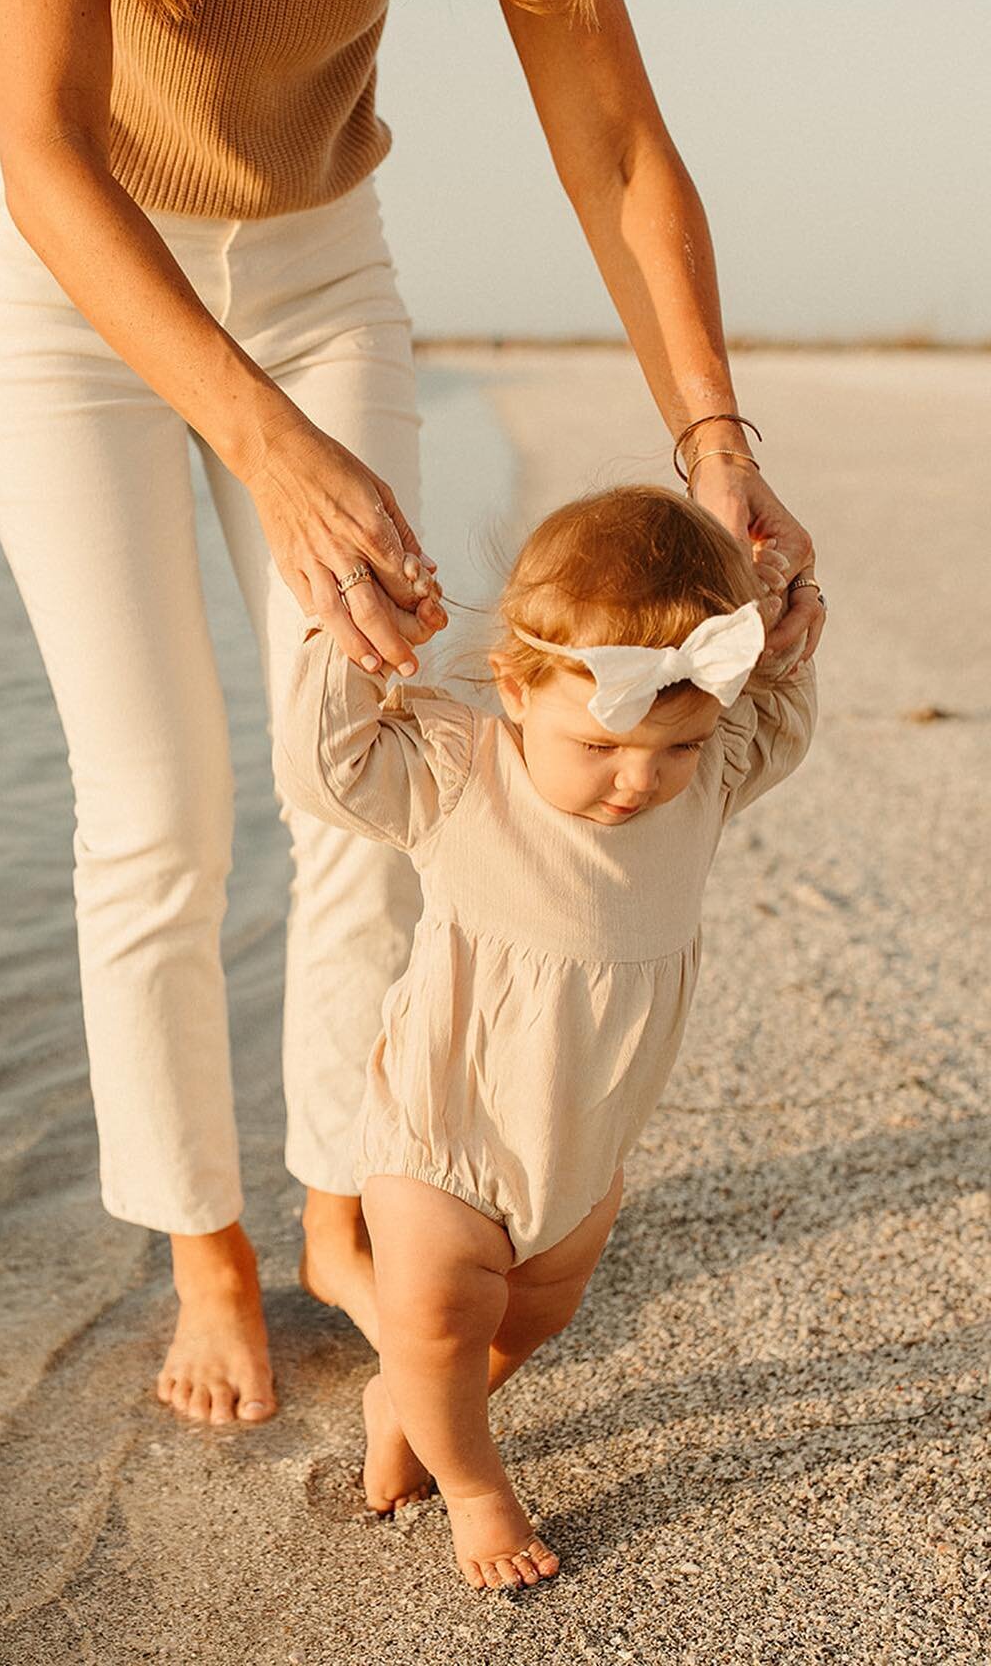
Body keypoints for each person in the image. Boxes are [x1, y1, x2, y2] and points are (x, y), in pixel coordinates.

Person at [0, 0, 826, 1426]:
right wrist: (273, 455)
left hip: (317, 273)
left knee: (374, 770)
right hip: (71, 284)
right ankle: (204, 1251)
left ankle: (343, 1200)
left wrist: (713, 442)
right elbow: (42, 148)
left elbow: (614, 139)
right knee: (156, 810)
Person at [272, 484, 821, 1586]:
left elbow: (780, 725)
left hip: (581, 1149)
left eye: (674, 749)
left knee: (533, 1317)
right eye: (604, 746)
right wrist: (354, 642)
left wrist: (783, 636)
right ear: (517, 689)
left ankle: (410, 1404)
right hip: (445, 1134)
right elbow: (324, 768)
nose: (638, 782)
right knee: (435, 1311)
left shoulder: (702, 782)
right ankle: (475, 1486)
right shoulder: (460, 774)